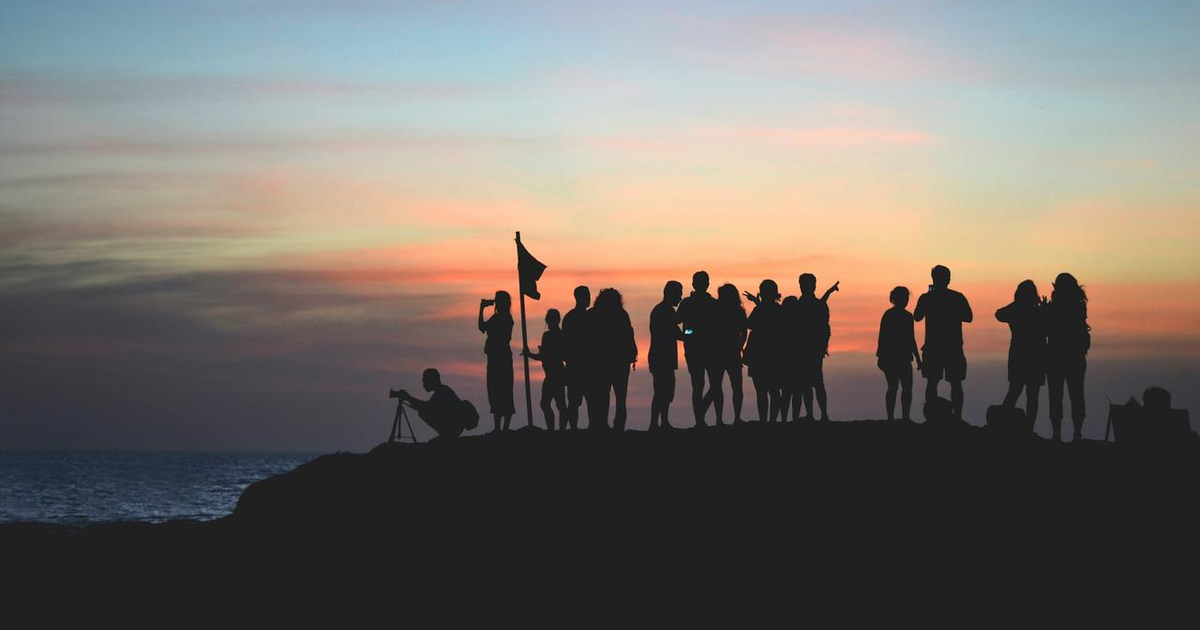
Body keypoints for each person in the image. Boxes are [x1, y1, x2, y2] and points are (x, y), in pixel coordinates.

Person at [914, 265, 973, 418]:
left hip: (933, 347)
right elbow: (968, 317)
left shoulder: (927, 298)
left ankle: (931, 417)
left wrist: (929, 299)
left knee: (932, 382)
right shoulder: (957, 297)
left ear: (933, 279)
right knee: (955, 383)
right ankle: (957, 416)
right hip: (953, 346)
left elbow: (917, 316)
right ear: (948, 279)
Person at [995, 280, 1046, 431]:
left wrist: (1017, 304)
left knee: (1015, 390)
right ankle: (1028, 428)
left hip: (1019, 354)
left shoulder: (1016, 310)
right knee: (1031, 394)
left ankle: (1003, 424)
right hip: (1036, 355)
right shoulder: (1038, 312)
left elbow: (999, 314)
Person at [1045, 272, 1089, 442]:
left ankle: (1057, 435)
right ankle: (1076, 434)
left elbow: (1047, 329)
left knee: (1056, 397)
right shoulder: (1079, 306)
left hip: (1056, 357)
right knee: (1076, 396)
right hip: (1075, 357)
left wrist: (1045, 310)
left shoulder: (1056, 307)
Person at [587, 288, 638, 431]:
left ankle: (602, 424)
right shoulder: (621, 314)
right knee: (620, 397)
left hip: (601, 362)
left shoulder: (593, 314)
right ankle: (617, 425)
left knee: (603, 395)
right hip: (618, 361)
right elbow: (629, 335)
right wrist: (632, 352)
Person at [677, 271, 721, 427]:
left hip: (708, 349)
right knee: (700, 385)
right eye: (700, 282)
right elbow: (677, 321)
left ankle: (704, 416)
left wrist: (689, 333)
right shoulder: (689, 303)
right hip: (697, 349)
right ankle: (701, 420)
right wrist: (689, 334)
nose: (702, 285)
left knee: (711, 385)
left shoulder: (713, 304)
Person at [794, 274, 837, 422]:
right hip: (810, 350)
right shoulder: (817, 305)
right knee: (812, 383)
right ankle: (817, 415)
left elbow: (825, 328)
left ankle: (818, 415)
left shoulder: (800, 306)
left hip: (807, 350)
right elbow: (825, 328)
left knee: (812, 383)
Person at [877, 287, 922, 422]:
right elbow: (884, 338)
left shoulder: (901, 316)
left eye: (906, 298)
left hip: (899, 358)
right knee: (898, 388)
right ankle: (897, 417)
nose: (906, 300)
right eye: (904, 298)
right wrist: (918, 359)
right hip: (895, 358)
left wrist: (918, 358)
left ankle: (901, 417)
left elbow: (910, 339)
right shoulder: (898, 316)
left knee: (900, 388)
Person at [744, 280, 784, 423]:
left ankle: (764, 421)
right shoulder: (779, 310)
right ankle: (771, 421)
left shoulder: (760, 309)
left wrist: (758, 304)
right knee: (774, 391)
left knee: (762, 391)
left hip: (759, 355)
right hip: (774, 355)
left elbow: (749, 324)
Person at [522, 309, 567, 431]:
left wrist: (530, 354)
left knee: (550, 404)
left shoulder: (549, 336)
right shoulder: (560, 335)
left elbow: (544, 356)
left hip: (554, 374)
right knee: (557, 404)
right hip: (556, 373)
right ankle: (557, 430)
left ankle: (554, 430)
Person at [649, 281, 685, 431]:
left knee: (665, 391)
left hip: (661, 357)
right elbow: (678, 332)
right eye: (679, 294)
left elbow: (678, 330)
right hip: (661, 357)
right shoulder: (664, 311)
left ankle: (662, 422)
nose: (680, 298)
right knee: (661, 391)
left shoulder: (663, 310)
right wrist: (693, 332)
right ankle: (656, 424)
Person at [710, 283, 748, 424]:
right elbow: (744, 332)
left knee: (720, 387)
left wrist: (739, 346)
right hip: (727, 352)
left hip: (720, 352)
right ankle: (732, 418)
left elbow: (744, 332)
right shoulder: (738, 311)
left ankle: (723, 418)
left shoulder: (716, 310)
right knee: (734, 387)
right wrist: (739, 346)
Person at [393, 369, 467, 440]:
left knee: (423, 412)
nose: (424, 384)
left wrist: (408, 397)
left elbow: (427, 407)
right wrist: (409, 398)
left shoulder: (442, 392)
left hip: (454, 427)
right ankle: (445, 434)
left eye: (425, 381)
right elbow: (427, 406)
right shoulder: (442, 390)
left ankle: (446, 434)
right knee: (422, 410)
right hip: (455, 426)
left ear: (432, 380)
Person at [478, 290, 515, 433]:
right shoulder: (501, 317)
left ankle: (502, 428)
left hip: (500, 359)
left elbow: (482, 327)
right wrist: (481, 309)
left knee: (501, 392)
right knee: (497, 392)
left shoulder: (502, 318)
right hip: (496, 359)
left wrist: (481, 309)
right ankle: (500, 428)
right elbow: (482, 327)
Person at [561, 286, 592, 431]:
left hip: (581, 364)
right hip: (578, 365)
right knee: (575, 401)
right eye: (587, 296)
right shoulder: (583, 318)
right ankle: (574, 428)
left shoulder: (571, 317)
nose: (589, 298)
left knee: (586, 400)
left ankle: (583, 427)